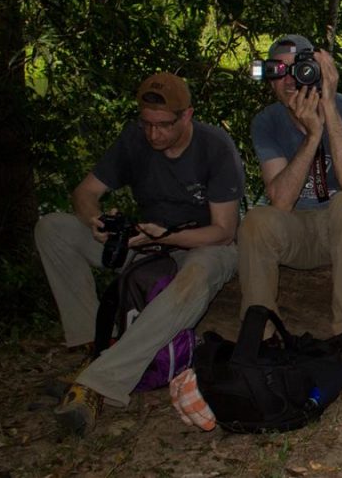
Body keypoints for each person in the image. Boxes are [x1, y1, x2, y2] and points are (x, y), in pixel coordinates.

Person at [35, 72, 243, 436]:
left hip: (204, 246)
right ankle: (93, 345)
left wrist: (171, 237)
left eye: (163, 126)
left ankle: (98, 382)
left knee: (192, 279)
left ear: (187, 115)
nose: (154, 134)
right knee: (53, 227)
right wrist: (95, 220)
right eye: (146, 124)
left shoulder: (215, 147)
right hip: (144, 241)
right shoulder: (134, 140)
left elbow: (224, 230)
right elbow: (84, 193)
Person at [237, 35, 342, 374]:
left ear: (317, 72)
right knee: (257, 220)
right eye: (278, 71)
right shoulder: (267, 121)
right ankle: (262, 337)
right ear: (269, 79)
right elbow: (281, 201)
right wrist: (311, 137)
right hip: (303, 227)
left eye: (298, 70)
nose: (289, 80)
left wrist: (328, 107)